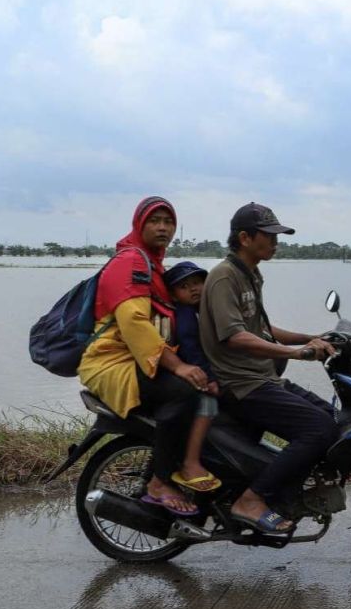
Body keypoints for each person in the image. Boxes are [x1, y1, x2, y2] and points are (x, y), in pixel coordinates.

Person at [200, 202, 337, 534]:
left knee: (332, 421)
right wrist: (294, 353)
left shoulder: (250, 274)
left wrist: (312, 336)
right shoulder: (224, 277)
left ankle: (286, 492)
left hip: (262, 377)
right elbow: (234, 336)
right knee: (317, 429)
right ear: (245, 238)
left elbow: (261, 329)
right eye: (269, 236)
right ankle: (251, 499)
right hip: (241, 383)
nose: (276, 243)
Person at [77, 197, 208, 517]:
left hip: (135, 359)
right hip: (111, 363)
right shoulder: (131, 262)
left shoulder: (151, 263)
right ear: (139, 224)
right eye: (155, 220)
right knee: (186, 390)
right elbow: (134, 323)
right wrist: (178, 366)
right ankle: (160, 481)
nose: (163, 227)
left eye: (169, 221)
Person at [163, 260, 223, 493]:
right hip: (189, 374)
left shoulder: (201, 312)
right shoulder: (186, 315)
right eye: (185, 286)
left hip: (193, 370)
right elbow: (191, 351)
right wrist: (210, 379)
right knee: (208, 405)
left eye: (198, 282)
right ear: (174, 295)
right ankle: (191, 461)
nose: (194, 289)